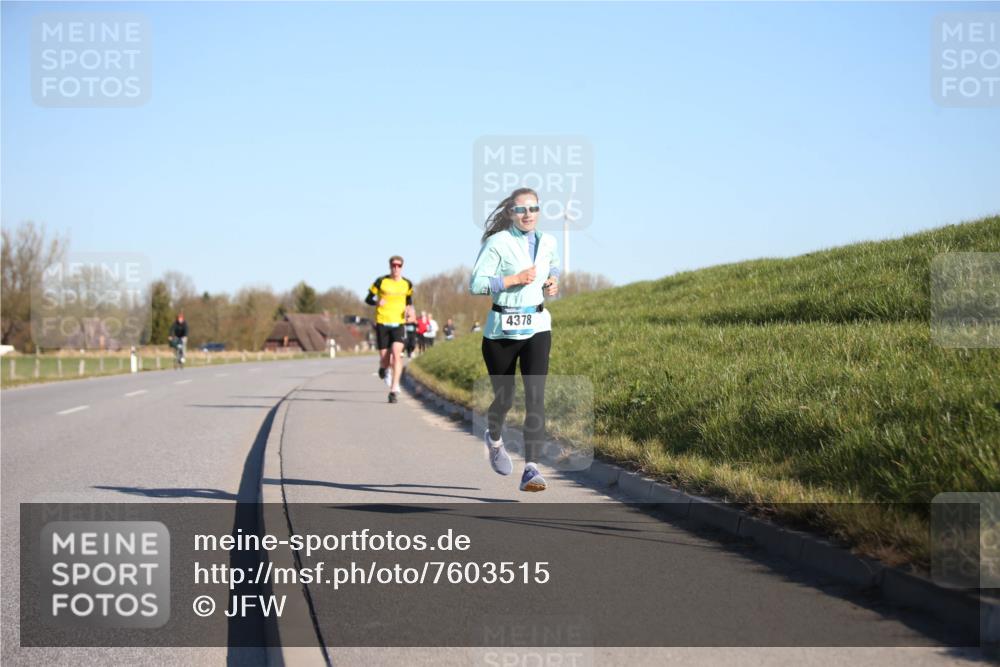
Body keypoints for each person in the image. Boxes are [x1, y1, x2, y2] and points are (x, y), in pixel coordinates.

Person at [470, 187, 559, 492]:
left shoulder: (548, 241)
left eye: (533, 208)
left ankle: (531, 469)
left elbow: (553, 264)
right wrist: (513, 280)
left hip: (537, 326)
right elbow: (476, 284)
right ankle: (494, 439)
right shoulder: (497, 242)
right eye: (521, 209)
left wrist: (552, 281)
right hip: (501, 331)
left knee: (535, 397)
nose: (528, 214)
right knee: (505, 398)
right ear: (510, 212)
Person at [365, 255, 414, 403]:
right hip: (382, 322)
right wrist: (377, 302)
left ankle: (394, 389)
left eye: (399, 265)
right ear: (390, 266)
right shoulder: (381, 281)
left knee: (397, 354)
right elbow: (368, 299)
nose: (396, 268)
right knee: (385, 359)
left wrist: (408, 310)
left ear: (402, 267)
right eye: (393, 265)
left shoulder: (407, 284)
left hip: (399, 323)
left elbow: (409, 301)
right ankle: (384, 368)